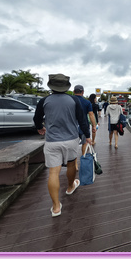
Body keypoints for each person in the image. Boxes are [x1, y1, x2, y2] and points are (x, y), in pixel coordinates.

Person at [33, 74, 90, 217]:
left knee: (53, 172)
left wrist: (40, 127)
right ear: (67, 86)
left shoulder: (44, 101)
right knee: (71, 164)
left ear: (51, 86)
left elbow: (37, 118)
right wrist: (88, 136)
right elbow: (82, 120)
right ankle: (70, 187)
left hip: (52, 141)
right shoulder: (74, 100)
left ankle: (56, 207)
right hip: (71, 139)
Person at [72, 85, 97, 154]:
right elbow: (91, 115)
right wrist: (94, 125)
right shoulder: (87, 102)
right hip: (84, 125)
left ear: (74, 91)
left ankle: (74, 161)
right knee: (85, 142)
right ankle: (83, 156)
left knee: (72, 144)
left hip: (72, 125)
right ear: (82, 92)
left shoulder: (70, 100)